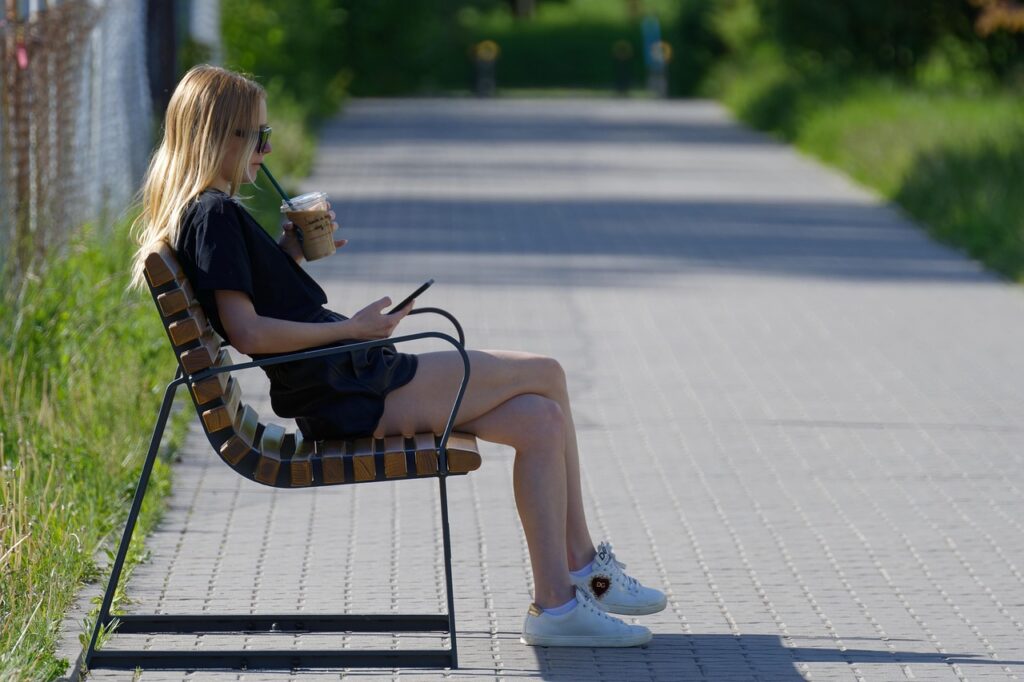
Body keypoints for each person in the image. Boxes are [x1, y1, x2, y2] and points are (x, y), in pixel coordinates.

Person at [130, 64, 666, 648]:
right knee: (547, 372)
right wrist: (355, 332)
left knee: (542, 420)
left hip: (349, 381)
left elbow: (253, 310)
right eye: (256, 136)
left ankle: (557, 607)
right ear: (218, 136)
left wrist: (291, 256)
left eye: (267, 136)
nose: (265, 149)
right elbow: (249, 333)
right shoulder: (213, 215)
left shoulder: (213, 213)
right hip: (351, 390)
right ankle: (587, 569)